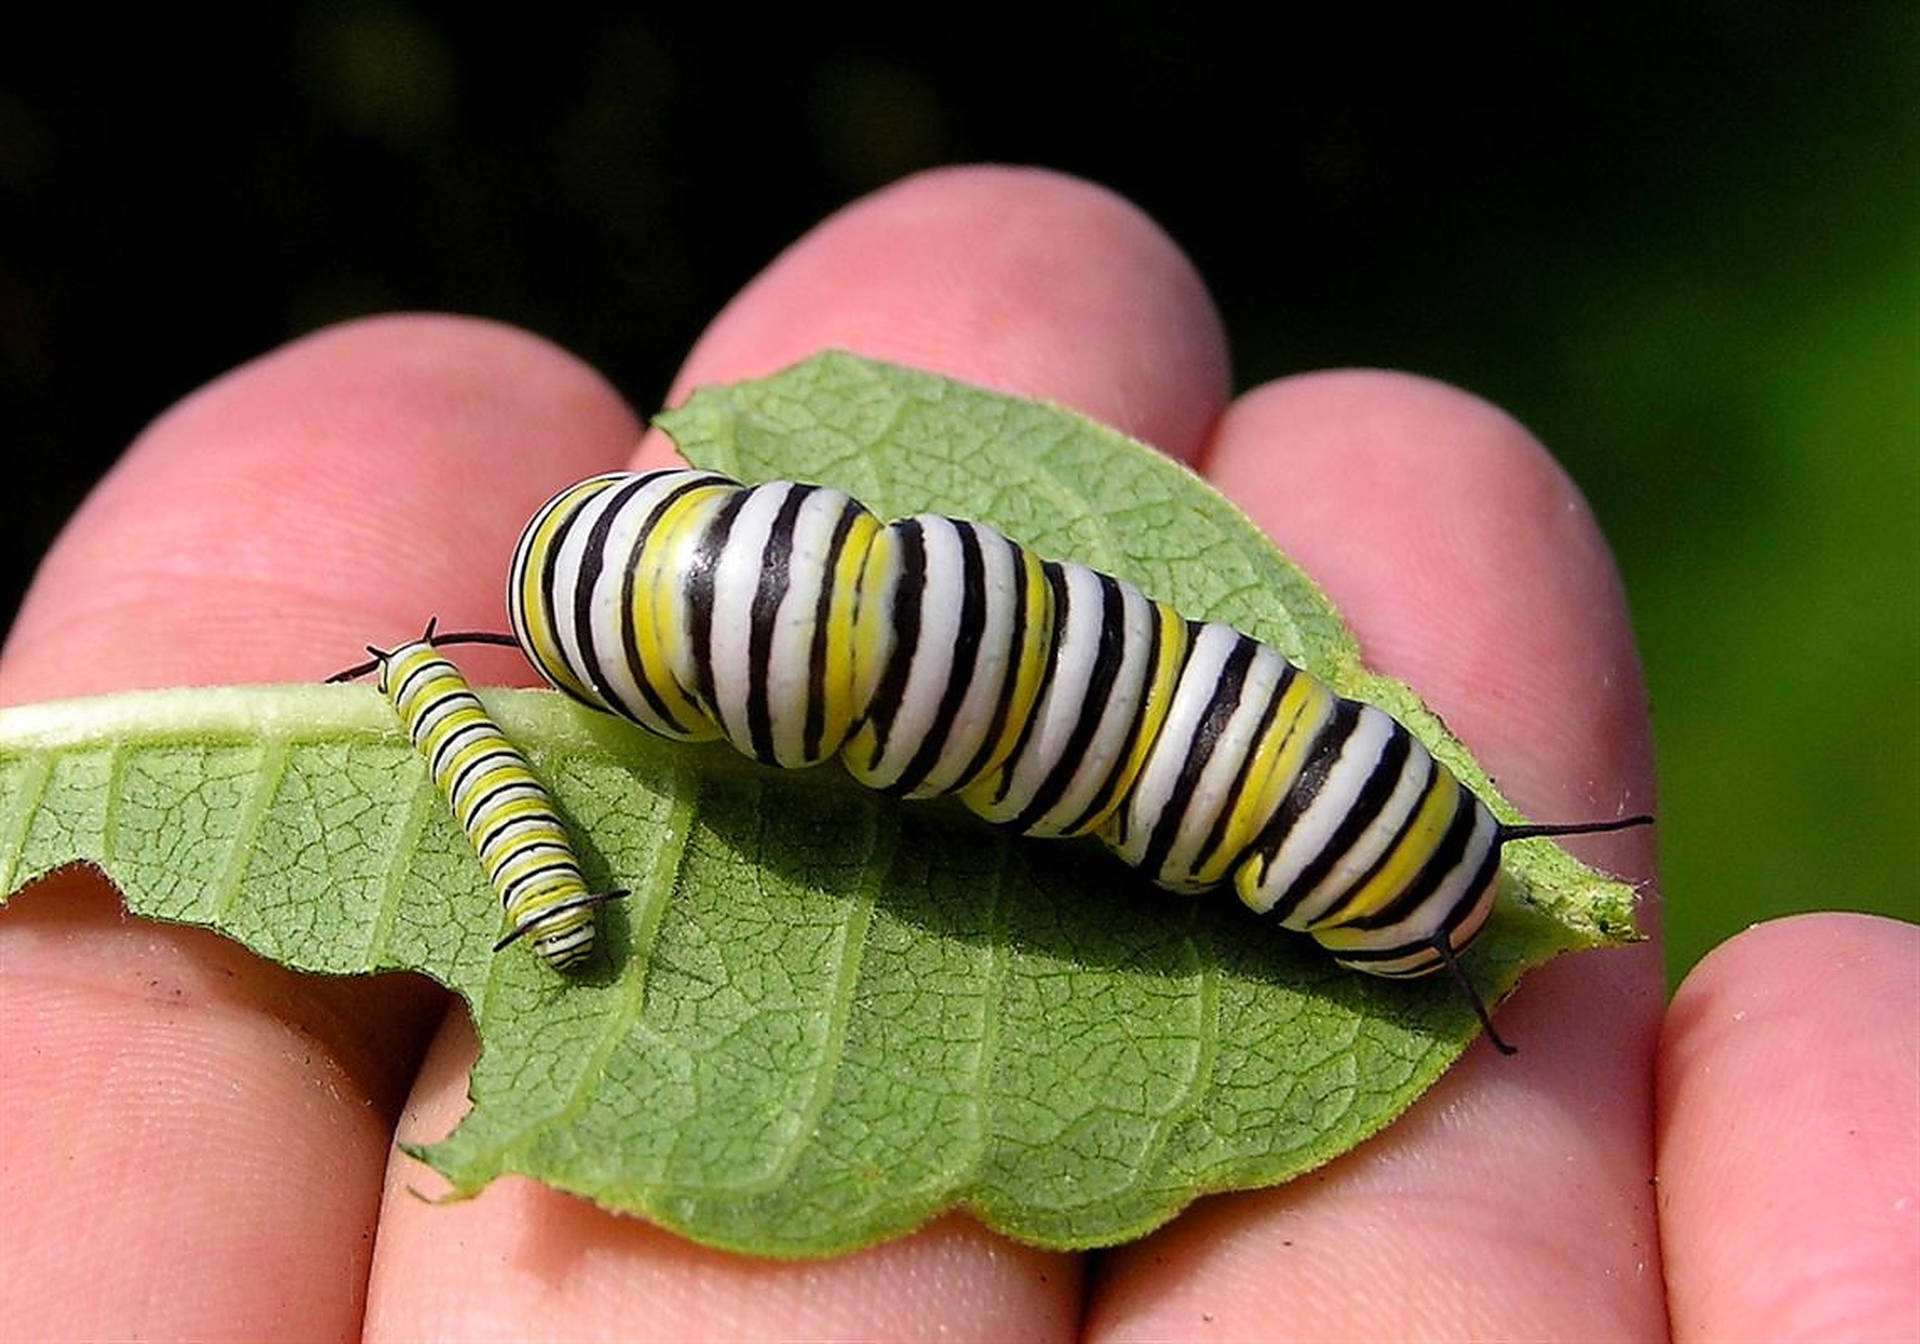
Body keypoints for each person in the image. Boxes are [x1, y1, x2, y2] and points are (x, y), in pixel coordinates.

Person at [1, 166, 1912, 1342]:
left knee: (1096, 719)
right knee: (1106, 720)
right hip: (742, 632)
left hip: (723, 623)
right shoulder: (1161, 778)